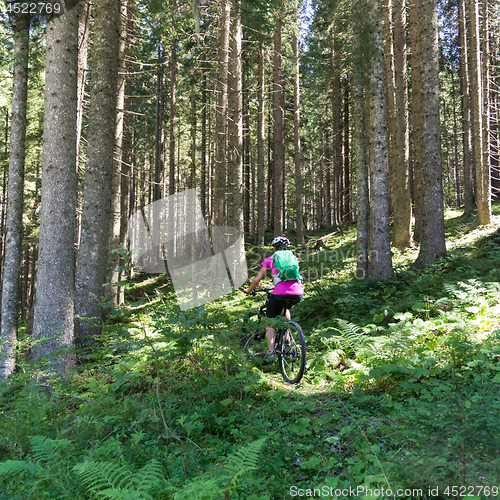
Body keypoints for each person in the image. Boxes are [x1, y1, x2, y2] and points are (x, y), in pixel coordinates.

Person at [245, 236, 304, 361]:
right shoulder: (293, 258)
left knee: (269, 320)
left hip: (280, 292)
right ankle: (286, 338)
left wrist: (249, 290)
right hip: (298, 292)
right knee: (285, 308)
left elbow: (257, 280)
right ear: (287, 247)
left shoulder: (271, 259)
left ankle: (271, 352)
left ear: (274, 247)